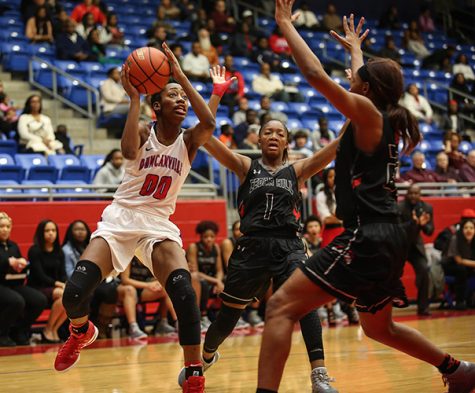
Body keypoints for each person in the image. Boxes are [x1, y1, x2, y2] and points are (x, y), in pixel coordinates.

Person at [256, 5, 475, 392]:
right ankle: (458, 370)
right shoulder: (379, 113)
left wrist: (286, 25)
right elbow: (360, 79)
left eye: (358, 76)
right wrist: (356, 48)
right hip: (389, 235)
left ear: (367, 88)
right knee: (379, 327)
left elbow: (313, 74)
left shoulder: (368, 112)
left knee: (279, 307)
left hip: (368, 236)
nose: (352, 77)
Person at [53, 43, 216, 393]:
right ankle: (82, 331)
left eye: (182, 97)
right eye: (172, 95)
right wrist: (135, 98)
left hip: (157, 224)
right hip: (121, 219)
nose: (181, 100)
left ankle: (193, 370)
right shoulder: (144, 131)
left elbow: (210, 121)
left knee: (185, 293)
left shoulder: (189, 141)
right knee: (74, 294)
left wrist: (181, 76)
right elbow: (127, 152)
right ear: (156, 107)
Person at [178, 65, 341, 393]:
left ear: (285, 143)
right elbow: (204, 135)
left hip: (290, 247)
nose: (274, 136)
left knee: (305, 303)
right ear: (259, 138)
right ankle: (207, 355)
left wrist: (354, 97)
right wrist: (216, 94)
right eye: (268, 132)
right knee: (228, 316)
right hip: (251, 247)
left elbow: (338, 144)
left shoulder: (298, 169)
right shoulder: (245, 166)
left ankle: (319, 373)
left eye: (280, 133)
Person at [0, 212, 47, 346]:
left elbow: (23, 270)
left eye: (7, 227)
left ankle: (20, 330)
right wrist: (7, 262)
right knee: (16, 301)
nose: (5, 229)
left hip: (13, 284)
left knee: (39, 300)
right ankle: (2, 334)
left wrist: (22, 266)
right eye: (1, 226)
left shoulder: (13, 246)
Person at [28, 219, 67, 343]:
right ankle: (48, 329)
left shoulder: (59, 251)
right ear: (41, 233)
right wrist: (59, 284)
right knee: (62, 294)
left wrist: (65, 283)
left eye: (53, 230)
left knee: (71, 297)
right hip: (38, 287)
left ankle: (54, 329)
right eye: (47, 230)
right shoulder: (34, 250)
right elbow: (40, 275)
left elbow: (62, 273)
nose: (51, 233)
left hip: (55, 287)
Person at [398, 184, 433, 316]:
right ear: (407, 194)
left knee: (424, 271)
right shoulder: (399, 207)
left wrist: (423, 225)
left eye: (416, 193)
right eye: (411, 193)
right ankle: (387, 307)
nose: (413, 196)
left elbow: (430, 231)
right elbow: (398, 230)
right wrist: (414, 223)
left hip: (416, 248)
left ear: (420, 194)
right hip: (401, 246)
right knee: (392, 275)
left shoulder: (426, 208)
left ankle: (423, 307)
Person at [121, 256, 177, 335]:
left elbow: (156, 277)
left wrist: (158, 283)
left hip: (143, 289)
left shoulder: (150, 257)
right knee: (130, 290)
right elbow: (125, 280)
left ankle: (171, 322)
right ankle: (133, 327)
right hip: (125, 288)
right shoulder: (129, 257)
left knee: (165, 288)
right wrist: (148, 285)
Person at [186, 221, 224, 331]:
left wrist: (219, 281)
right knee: (202, 283)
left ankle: (224, 316)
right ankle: (202, 316)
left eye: (212, 236)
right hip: (198, 279)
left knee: (228, 282)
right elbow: (196, 272)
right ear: (201, 236)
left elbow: (220, 270)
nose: (209, 239)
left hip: (212, 279)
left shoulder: (216, 247)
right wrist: (216, 281)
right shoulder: (194, 247)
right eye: (206, 236)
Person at [442, 218, 475, 310]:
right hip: (450, 265)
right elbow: (459, 261)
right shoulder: (455, 239)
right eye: (466, 228)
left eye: (471, 228)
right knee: (461, 270)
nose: (469, 230)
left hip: (467, 265)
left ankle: (471, 299)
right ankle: (459, 301)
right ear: (462, 230)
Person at [316, 168, 343, 248]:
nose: (333, 178)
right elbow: (327, 220)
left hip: (345, 231)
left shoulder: (344, 193)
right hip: (330, 233)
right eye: (330, 177)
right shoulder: (321, 195)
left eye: (335, 176)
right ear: (325, 179)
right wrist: (342, 218)